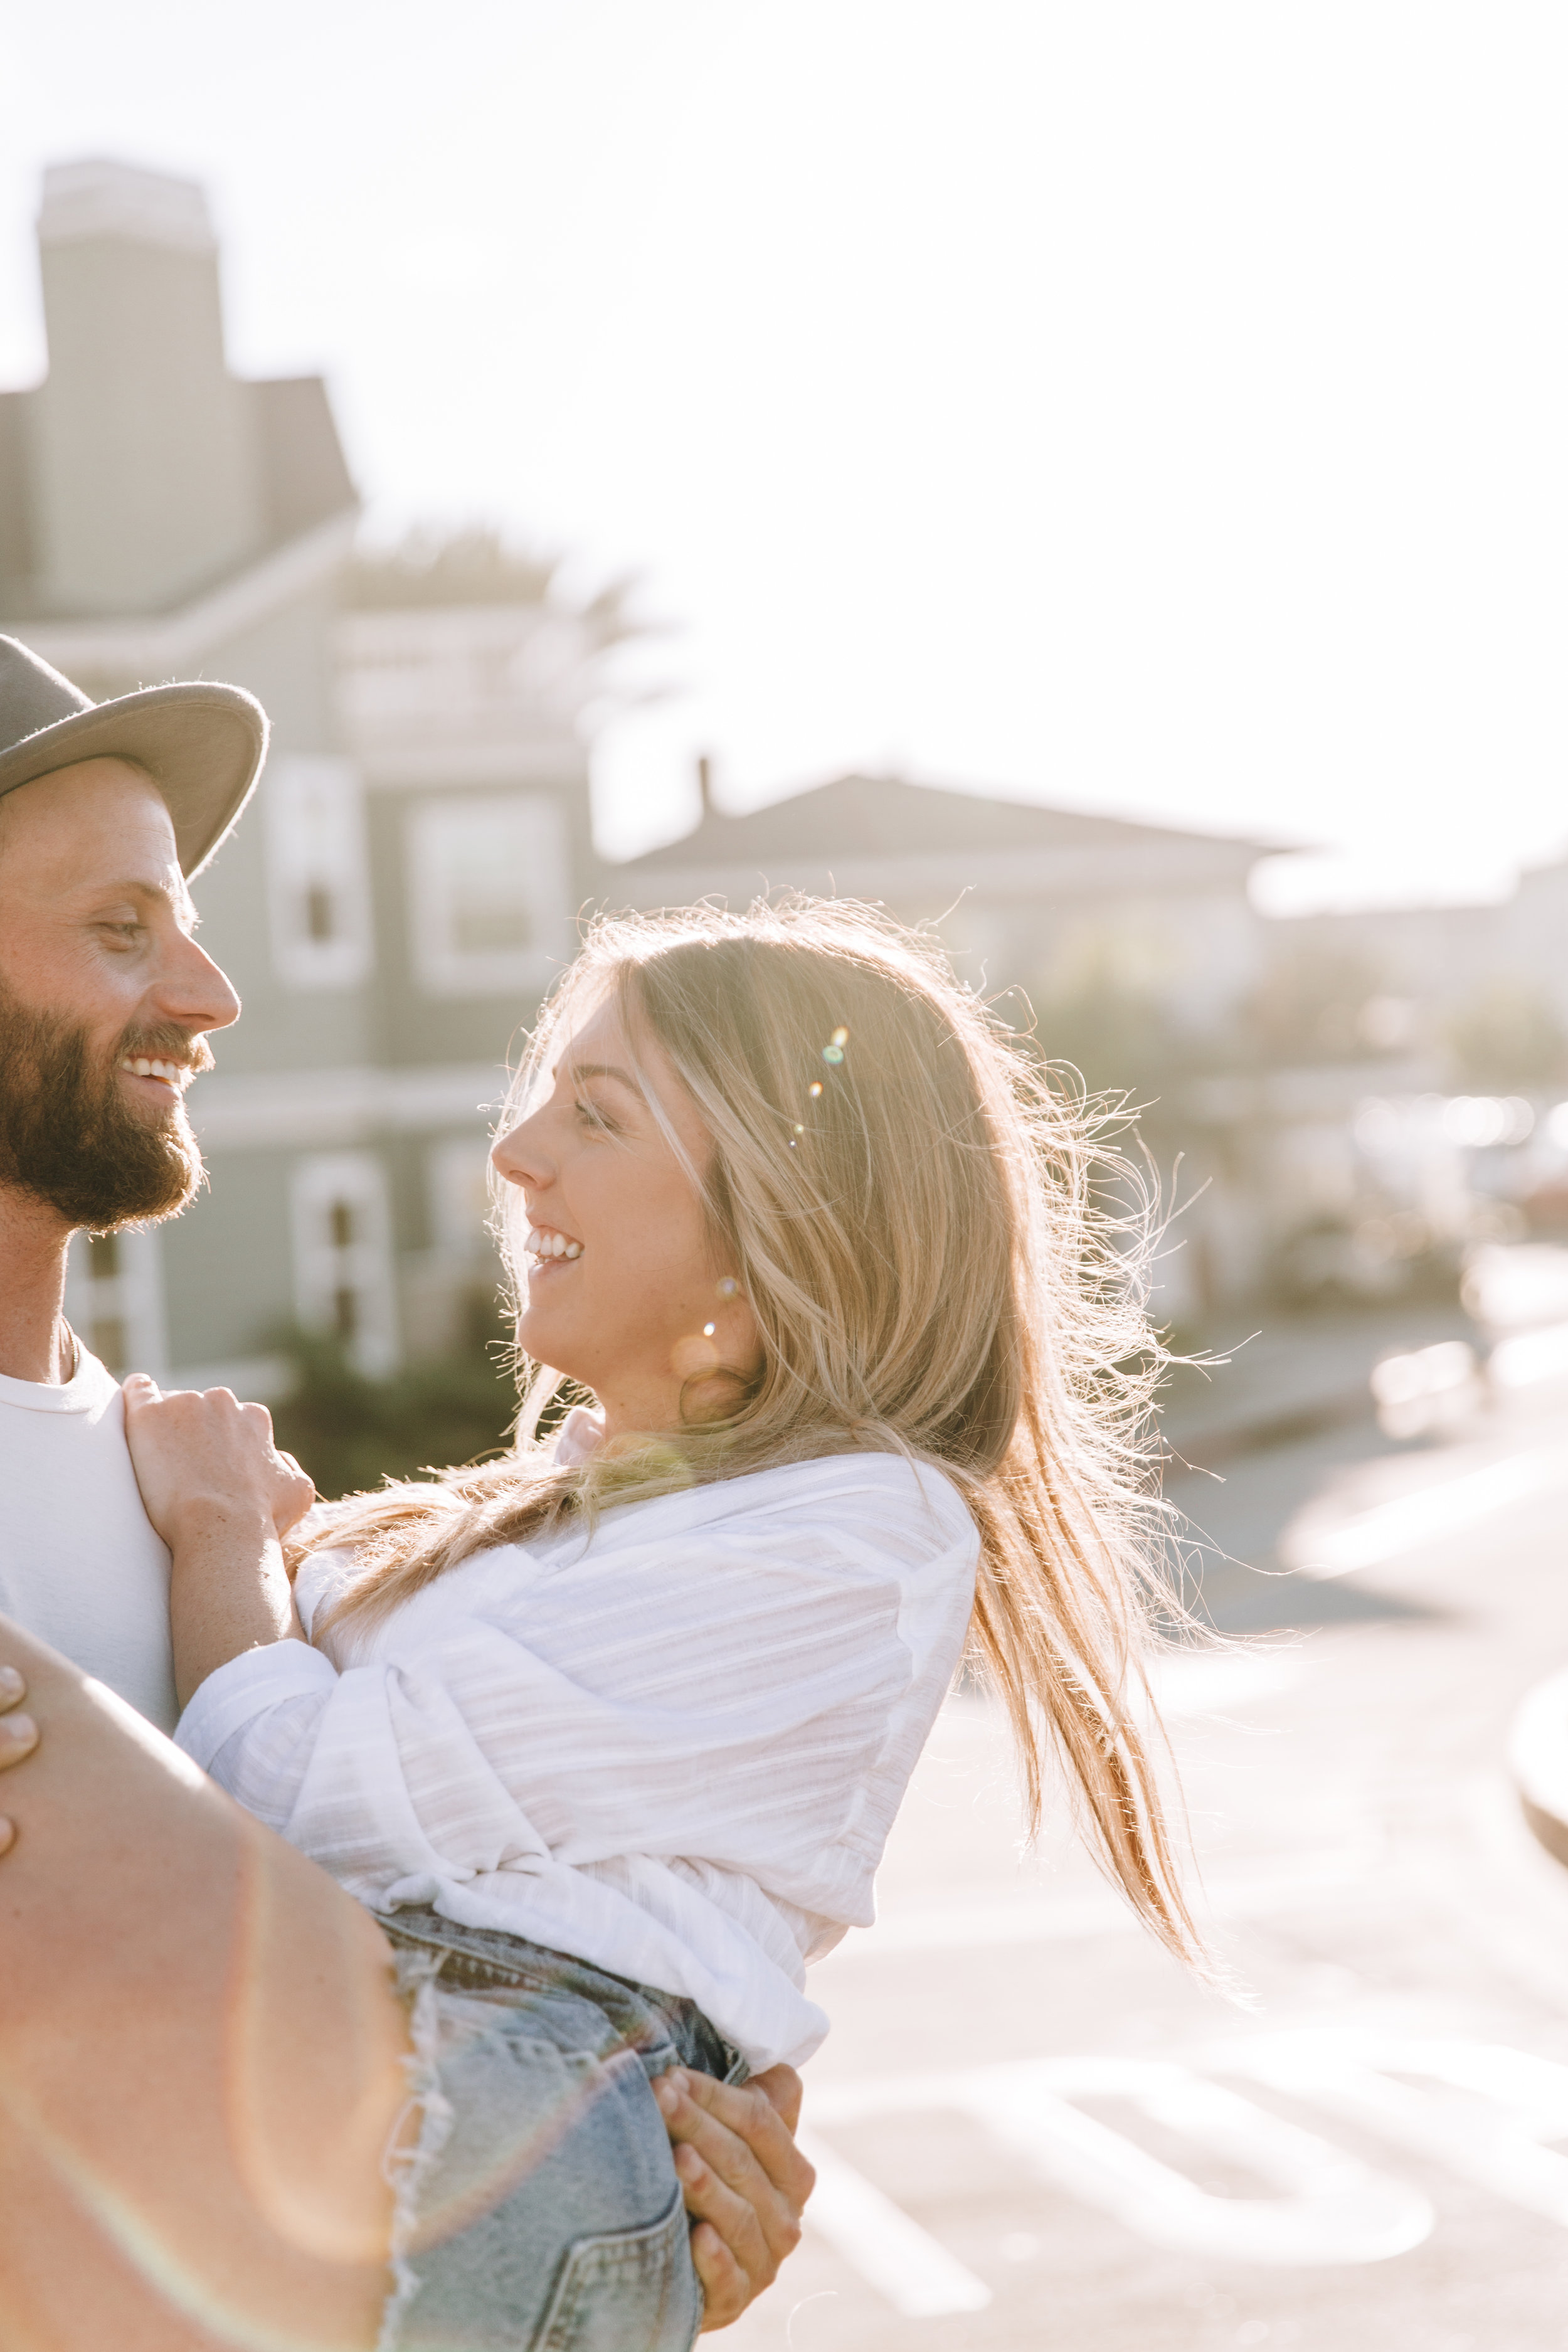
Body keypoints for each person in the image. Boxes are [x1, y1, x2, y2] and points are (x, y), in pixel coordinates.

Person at [110, 896, 1205, 2348]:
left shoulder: (858, 1533)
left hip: (475, 2085)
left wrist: (221, 1541)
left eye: (598, 1115)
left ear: (775, 1217)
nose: (515, 1156)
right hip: (427, 2076)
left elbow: (299, 1799)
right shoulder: (569, 1515)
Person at [0, 635, 812, 2349]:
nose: (212, 993)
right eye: (122, 927)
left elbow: (371, 2037)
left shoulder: (208, 1497)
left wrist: (628, 2193)